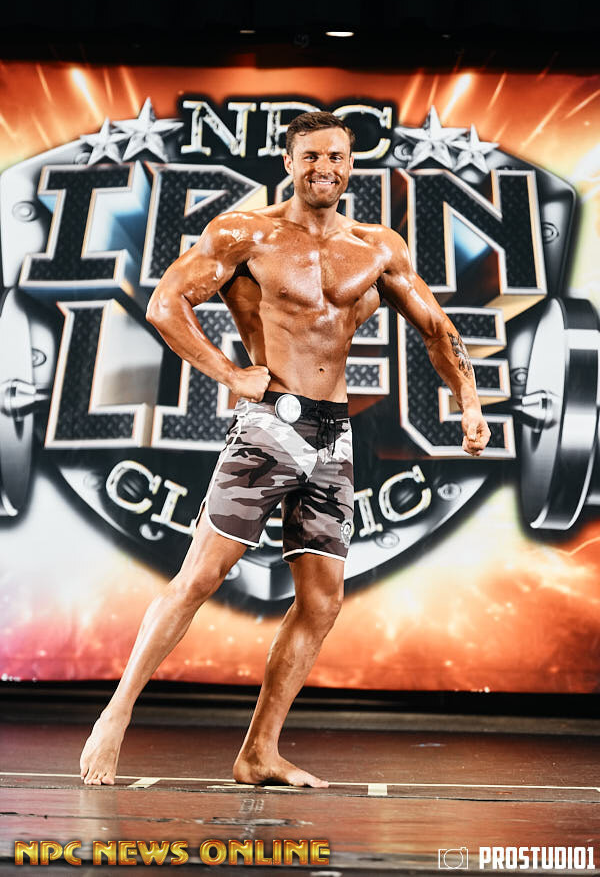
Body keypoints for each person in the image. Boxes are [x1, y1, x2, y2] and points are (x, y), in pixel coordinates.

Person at [80, 111, 491, 788]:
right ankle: (116, 715)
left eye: (336, 156)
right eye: (311, 157)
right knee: (201, 577)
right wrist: (229, 373)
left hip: (333, 438)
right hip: (269, 426)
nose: (324, 168)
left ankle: (259, 752)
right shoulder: (246, 233)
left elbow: (436, 327)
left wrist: (469, 402)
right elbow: (165, 304)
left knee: (322, 602)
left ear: (350, 165)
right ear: (289, 162)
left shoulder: (378, 247)